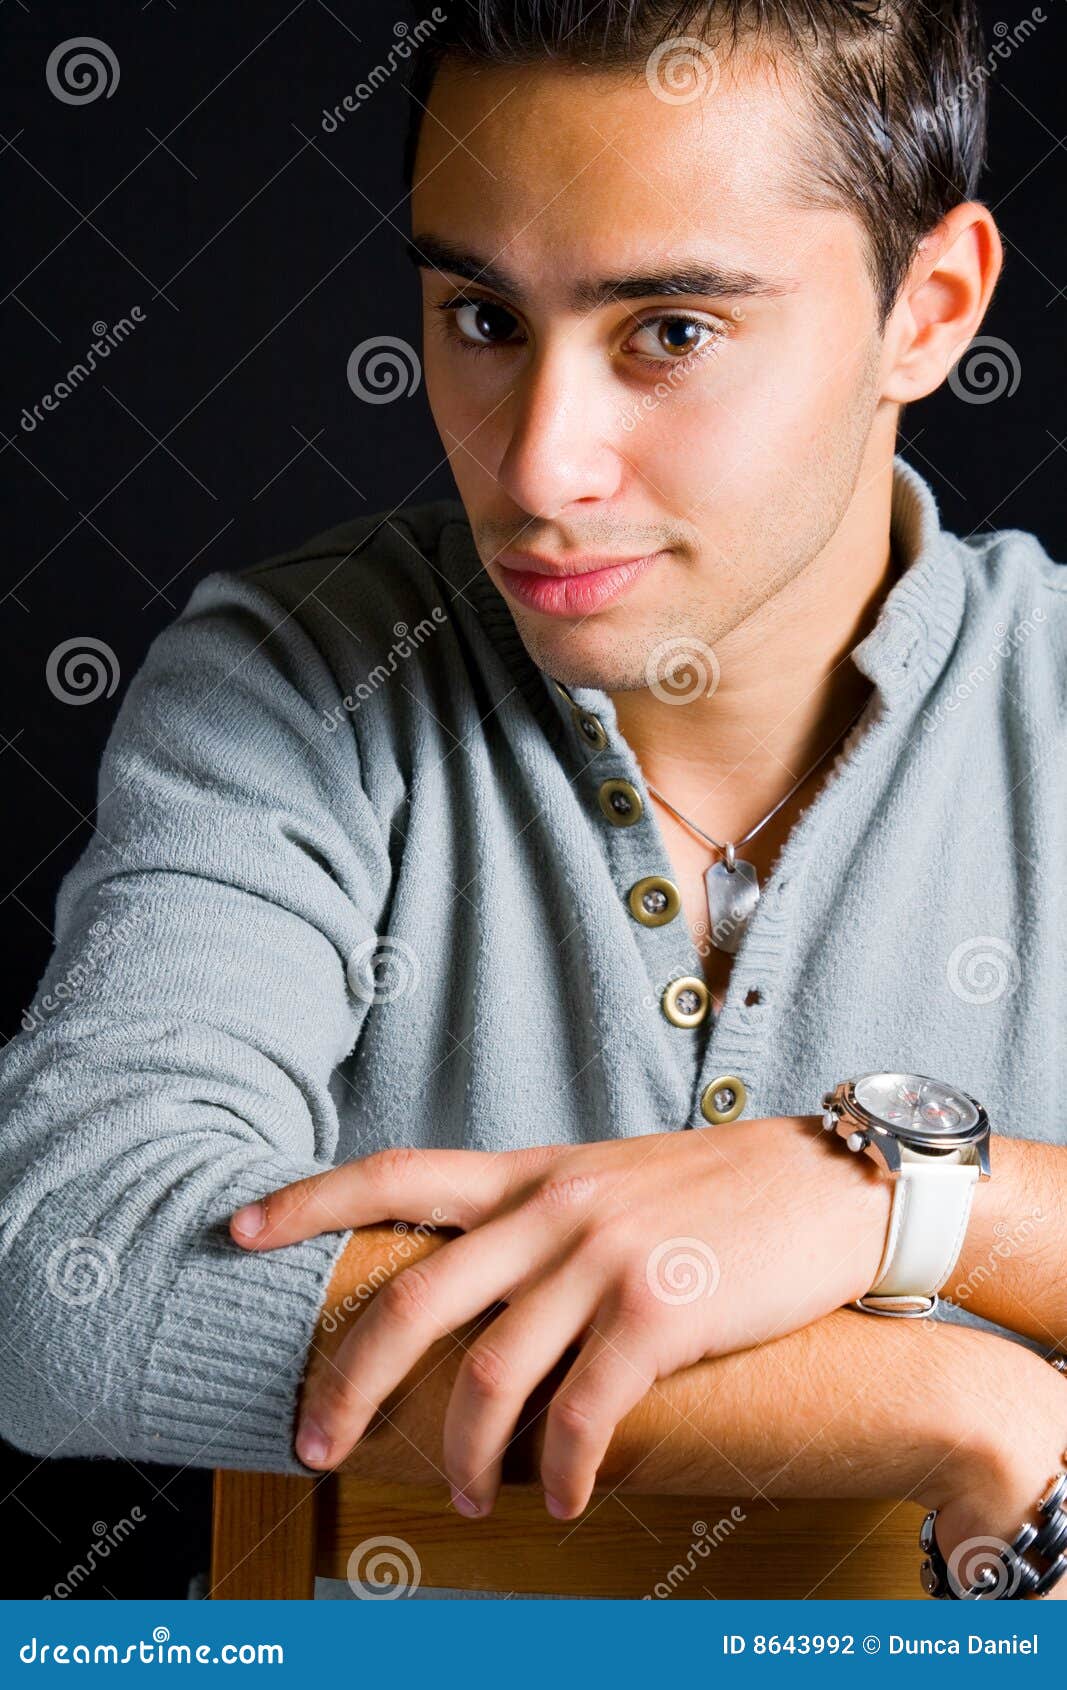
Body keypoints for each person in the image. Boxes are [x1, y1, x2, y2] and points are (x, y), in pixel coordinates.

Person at [1, 1, 1065, 1602]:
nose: (540, 466)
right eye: (483, 318)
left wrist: (898, 1199)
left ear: (929, 306)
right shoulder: (298, 680)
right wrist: (965, 1395)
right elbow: (58, 1276)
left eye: (673, 331)